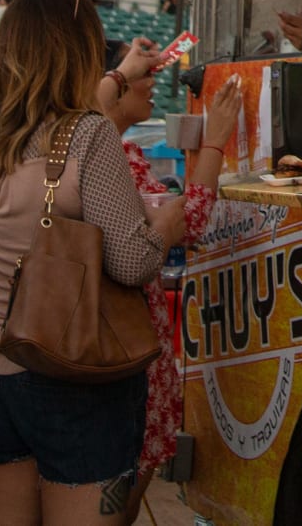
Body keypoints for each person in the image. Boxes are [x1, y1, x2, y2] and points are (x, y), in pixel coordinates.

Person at [0, 0, 240, 525]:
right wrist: (161, 223)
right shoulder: (89, 136)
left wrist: (120, 75)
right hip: (74, 376)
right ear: (78, 50)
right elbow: (133, 263)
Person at [97, 38, 221, 515]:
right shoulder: (109, 153)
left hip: (123, 343)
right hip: (121, 344)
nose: (153, 84)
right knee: (112, 505)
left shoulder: (112, 149)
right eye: (139, 77)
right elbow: (187, 222)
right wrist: (215, 139)